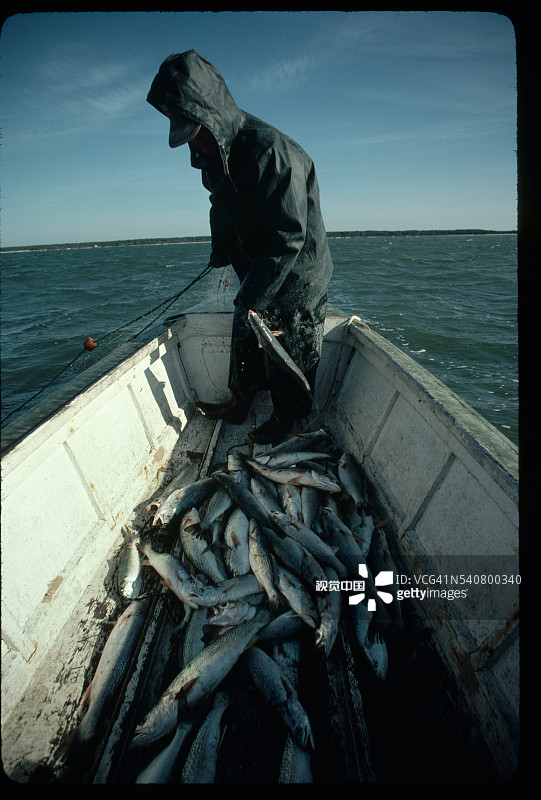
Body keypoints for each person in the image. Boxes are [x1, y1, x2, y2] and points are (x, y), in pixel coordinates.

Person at [147, 50, 334, 444]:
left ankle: (287, 416)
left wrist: (252, 294)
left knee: (286, 337)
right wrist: (221, 248)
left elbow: (289, 236)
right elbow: (221, 204)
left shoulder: (272, 153)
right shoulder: (212, 154)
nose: (193, 148)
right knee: (245, 325)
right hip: (258, 260)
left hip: (299, 267)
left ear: (210, 117)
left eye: (194, 133)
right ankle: (241, 400)